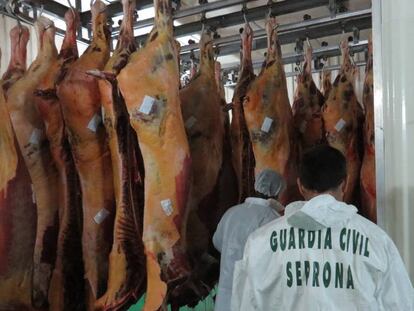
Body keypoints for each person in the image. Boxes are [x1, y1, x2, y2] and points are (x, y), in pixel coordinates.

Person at [232, 145, 414, 311]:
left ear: (301, 186)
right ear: (345, 183)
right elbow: (400, 304)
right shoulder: (376, 240)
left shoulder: (259, 242)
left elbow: (244, 304)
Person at [212, 169, 286, 311]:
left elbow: (217, 242)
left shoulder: (232, 212)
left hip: (225, 294)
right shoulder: (273, 220)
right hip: (254, 296)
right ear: (278, 192)